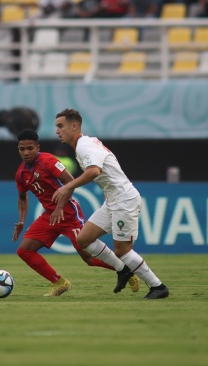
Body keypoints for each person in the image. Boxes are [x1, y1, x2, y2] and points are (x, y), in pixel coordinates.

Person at [52, 108, 170, 299]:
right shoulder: (86, 144)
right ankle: (123, 270)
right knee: (83, 239)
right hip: (113, 200)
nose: (57, 131)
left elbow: (94, 172)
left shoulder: (84, 146)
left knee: (122, 250)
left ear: (74, 127)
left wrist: (68, 187)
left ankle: (158, 287)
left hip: (124, 200)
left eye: (60, 126)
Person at [13, 129, 140, 296]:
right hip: (50, 216)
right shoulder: (21, 173)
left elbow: (70, 182)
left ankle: (127, 270)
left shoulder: (48, 160)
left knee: (89, 258)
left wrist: (59, 207)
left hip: (68, 213)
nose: (26, 152)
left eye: (30, 148)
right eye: (22, 149)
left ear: (38, 147)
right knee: (24, 250)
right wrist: (22, 221)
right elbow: (22, 198)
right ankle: (59, 282)